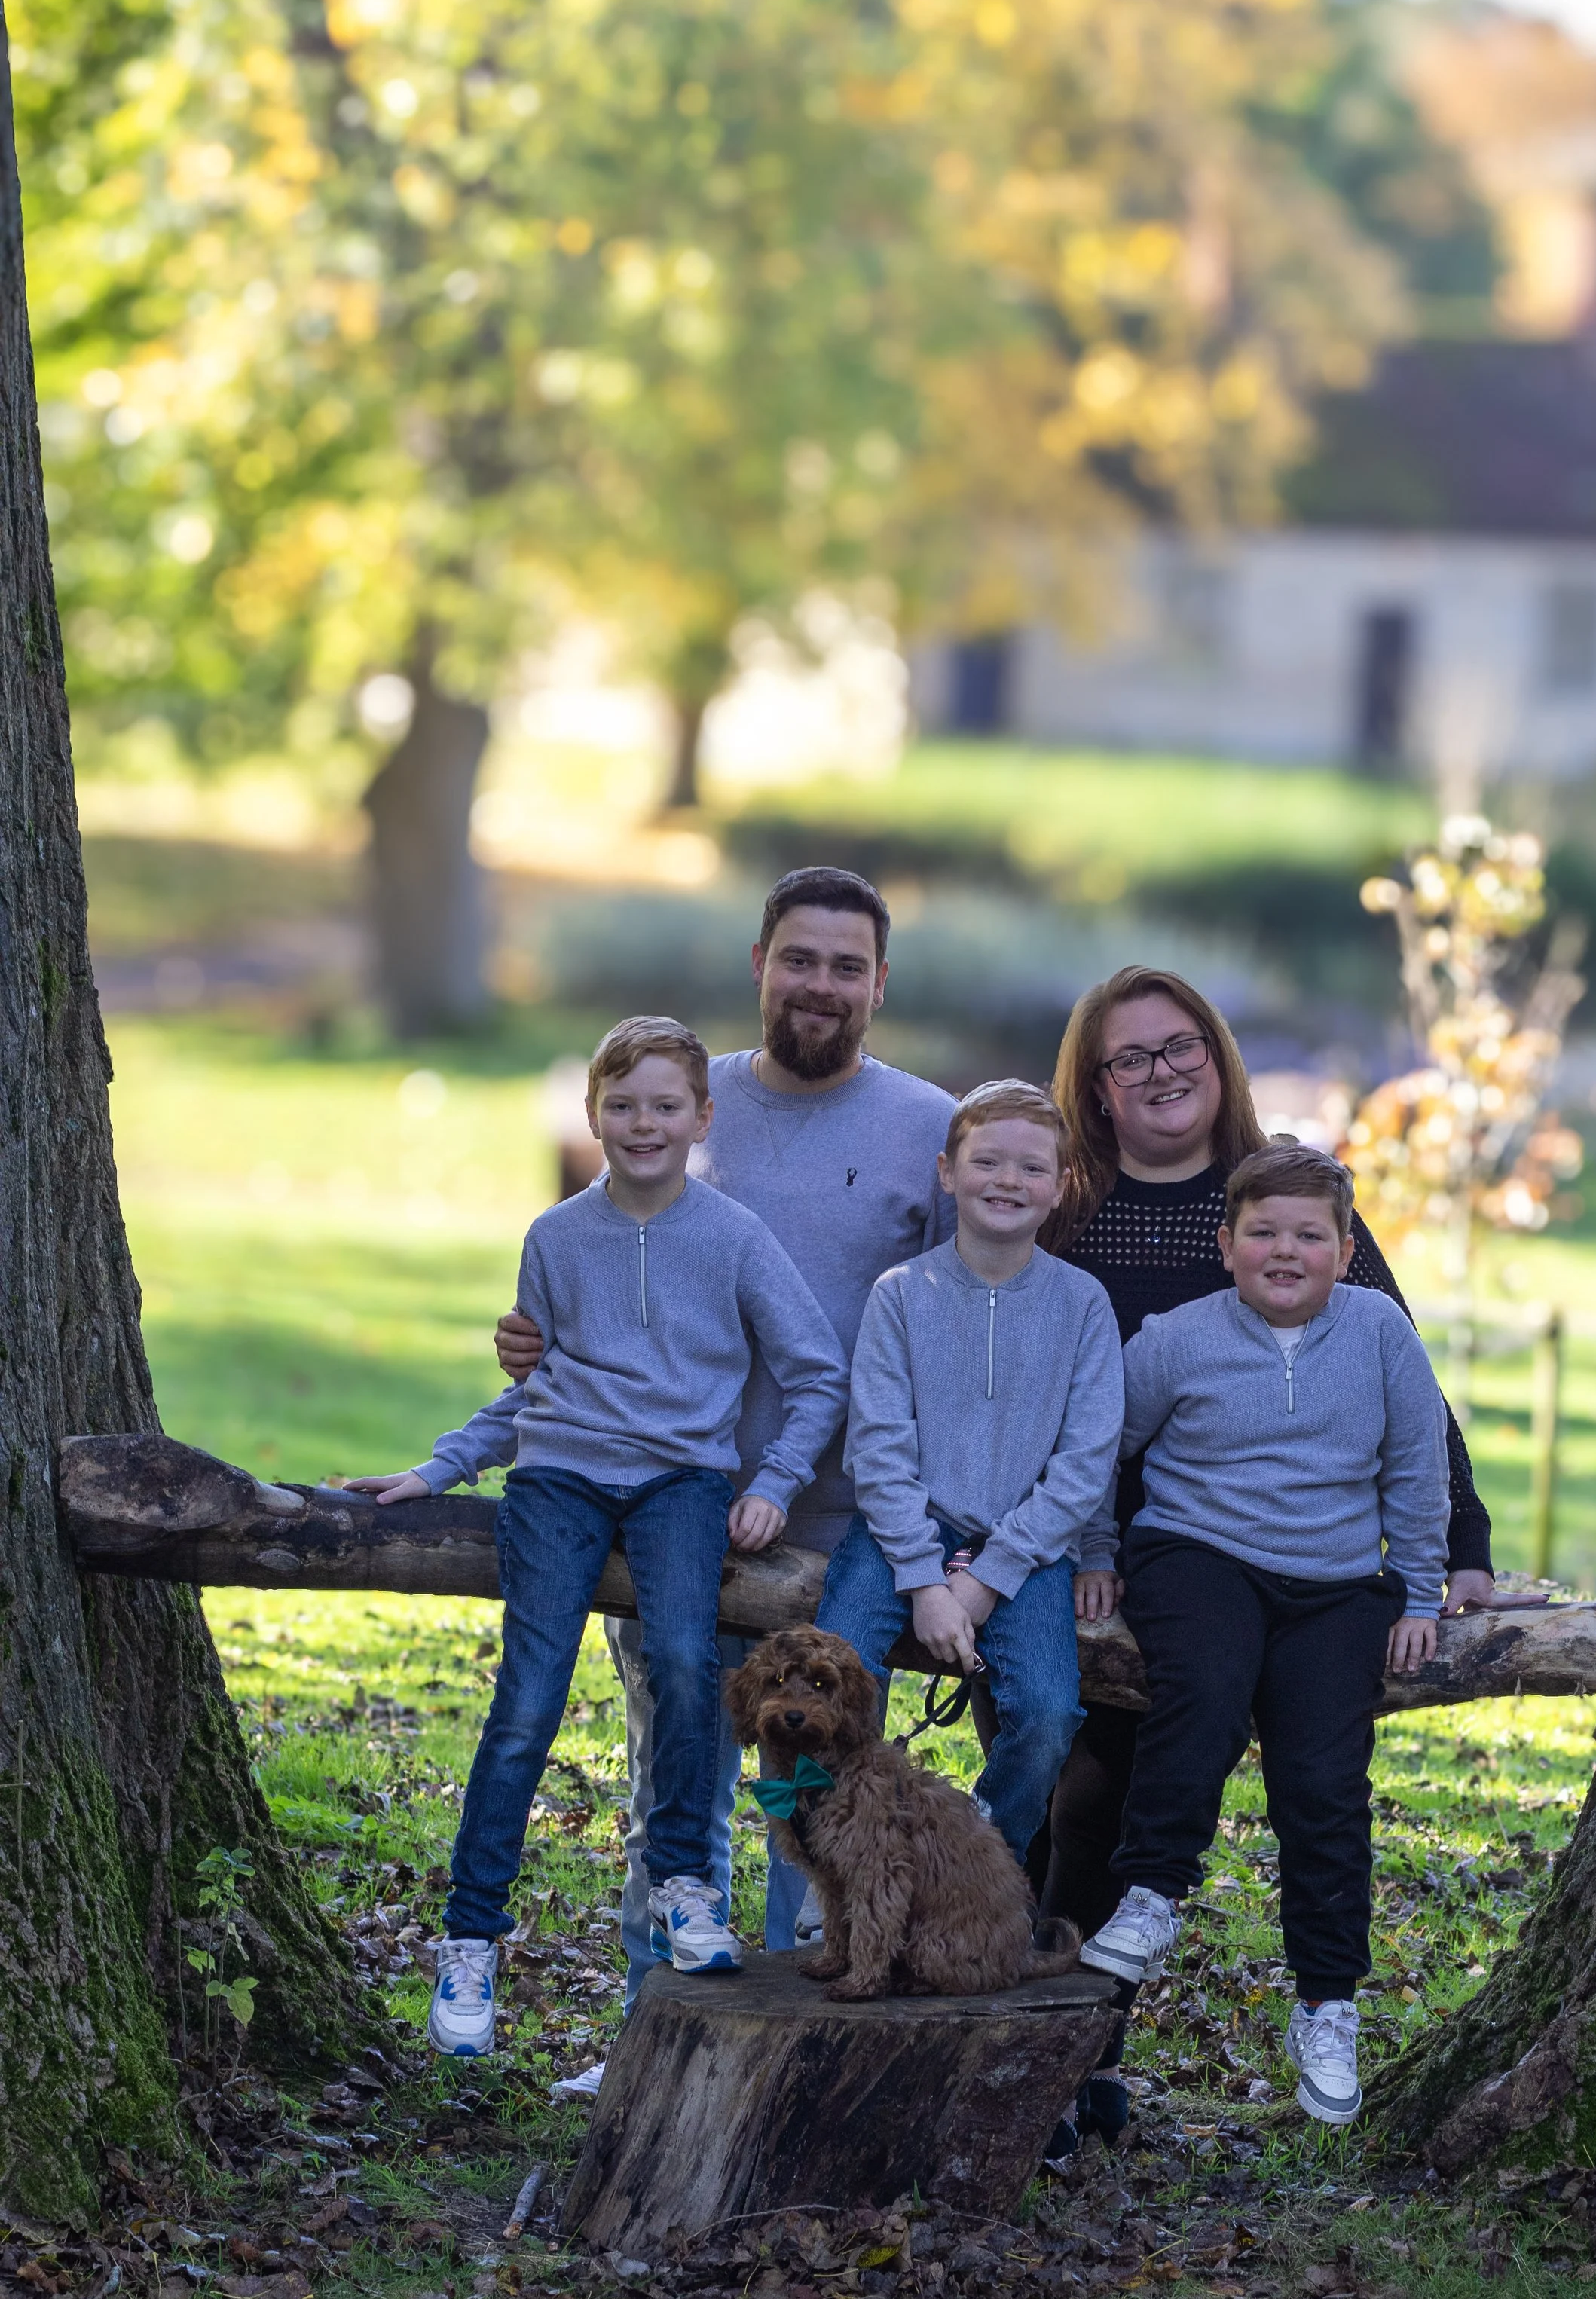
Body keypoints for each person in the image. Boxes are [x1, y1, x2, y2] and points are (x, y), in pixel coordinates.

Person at [491, 870, 958, 2077]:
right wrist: (531, 1341)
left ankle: (785, 2040)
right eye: (799, 958)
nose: (821, 983)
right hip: (675, 1500)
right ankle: (658, 2035)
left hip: (848, 1524)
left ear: (880, 982)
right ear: (760, 960)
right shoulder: (689, 1102)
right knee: (680, 1773)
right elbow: (596, 1261)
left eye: (846, 965)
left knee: (825, 1798)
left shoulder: (927, 1125)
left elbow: (961, 1321)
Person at [1034, 964, 1499, 2147]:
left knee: (1281, 1781)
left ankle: (1106, 2060)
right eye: (1130, 1056)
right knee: (1072, 1805)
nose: (1161, 1070)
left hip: (1300, 1566)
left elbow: (1411, 1409)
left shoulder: (1294, 1199)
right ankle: (1047, 2062)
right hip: (1115, 1557)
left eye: (1181, 1044)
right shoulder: (1062, 1209)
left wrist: (1460, 1546)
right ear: (1094, 1085)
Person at [346, 1015, 847, 2058]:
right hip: (559, 1478)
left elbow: (817, 1374)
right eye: (623, 1104)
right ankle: (472, 1938)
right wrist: (440, 1466)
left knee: (680, 1659)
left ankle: (683, 1887)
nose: (644, 1123)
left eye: (667, 1105)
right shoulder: (557, 1235)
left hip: (683, 1482)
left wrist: (773, 1483)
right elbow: (531, 1390)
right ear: (592, 1114)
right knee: (527, 1701)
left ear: (703, 1117)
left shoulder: (736, 1237)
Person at [1078, 1142, 1448, 2127]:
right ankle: (1153, 1891)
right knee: (1202, 1687)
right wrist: (1096, 1547)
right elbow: (1100, 1443)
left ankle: (1328, 1999)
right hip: (1198, 1551)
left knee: (1324, 1780)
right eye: (1264, 1231)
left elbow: (1416, 1468)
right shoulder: (1175, 1337)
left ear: (1346, 1247)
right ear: (1227, 1241)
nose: (1286, 1251)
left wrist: (1417, 1593)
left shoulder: (1379, 1333)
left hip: (1334, 1582)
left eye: (1309, 1234)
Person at [815, 1080, 1124, 1863]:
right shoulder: (900, 1296)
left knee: (1050, 1714)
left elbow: (1085, 1460)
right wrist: (924, 1581)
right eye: (986, 1161)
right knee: (826, 1683)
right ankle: (834, 1854)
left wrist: (989, 1577)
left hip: (1026, 1545)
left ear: (1059, 1187)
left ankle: (972, 1856)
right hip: (898, 1534)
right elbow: (877, 1449)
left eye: (1030, 1168)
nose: (1007, 1181)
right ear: (947, 1172)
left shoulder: (1083, 1304)